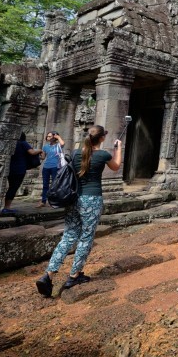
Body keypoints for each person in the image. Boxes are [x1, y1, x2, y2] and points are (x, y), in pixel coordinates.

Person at [35, 125, 121, 296]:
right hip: (92, 200)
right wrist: (118, 149)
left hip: (73, 199)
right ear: (102, 138)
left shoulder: (75, 153)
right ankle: (74, 275)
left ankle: (48, 275)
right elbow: (116, 166)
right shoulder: (103, 155)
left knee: (68, 236)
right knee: (86, 237)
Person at [1, 133, 42, 215]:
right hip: (19, 168)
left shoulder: (11, 143)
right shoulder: (23, 143)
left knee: (11, 187)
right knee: (13, 188)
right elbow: (32, 152)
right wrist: (40, 150)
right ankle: (7, 207)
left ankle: (5, 206)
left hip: (10, 168)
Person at [39, 131, 65, 207]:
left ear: (54, 137)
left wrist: (58, 137)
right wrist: (39, 153)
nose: (48, 137)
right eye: (47, 136)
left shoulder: (58, 145)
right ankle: (43, 201)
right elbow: (43, 157)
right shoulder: (45, 146)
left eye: (50, 136)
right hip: (46, 167)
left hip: (55, 167)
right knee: (45, 185)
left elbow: (62, 143)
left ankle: (54, 201)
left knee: (55, 185)